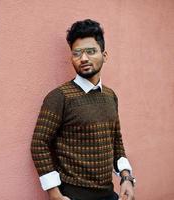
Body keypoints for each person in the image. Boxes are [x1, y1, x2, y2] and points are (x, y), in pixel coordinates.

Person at [30, 19, 136, 200]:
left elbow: (116, 140)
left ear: (105, 55)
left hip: (109, 194)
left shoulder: (110, 96)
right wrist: (54, 193)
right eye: (77, 53)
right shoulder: (59, 97)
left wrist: (126, 178)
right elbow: (39, 144)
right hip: (73, 195)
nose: (84, 58)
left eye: (91, 51)